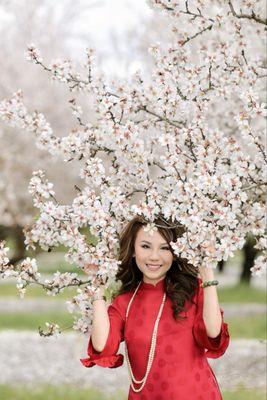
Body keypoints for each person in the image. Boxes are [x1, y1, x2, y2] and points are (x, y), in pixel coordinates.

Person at [80, 216, 230, 400]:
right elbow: (102, 346)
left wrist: (207, 273)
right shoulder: (125, 302)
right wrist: (97, 289)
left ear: (175, 252)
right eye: (145, 246)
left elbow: (213, 333)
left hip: (197, 393)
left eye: (164, 248)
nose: (154, 257)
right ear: (133, 249)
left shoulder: (193, 291)